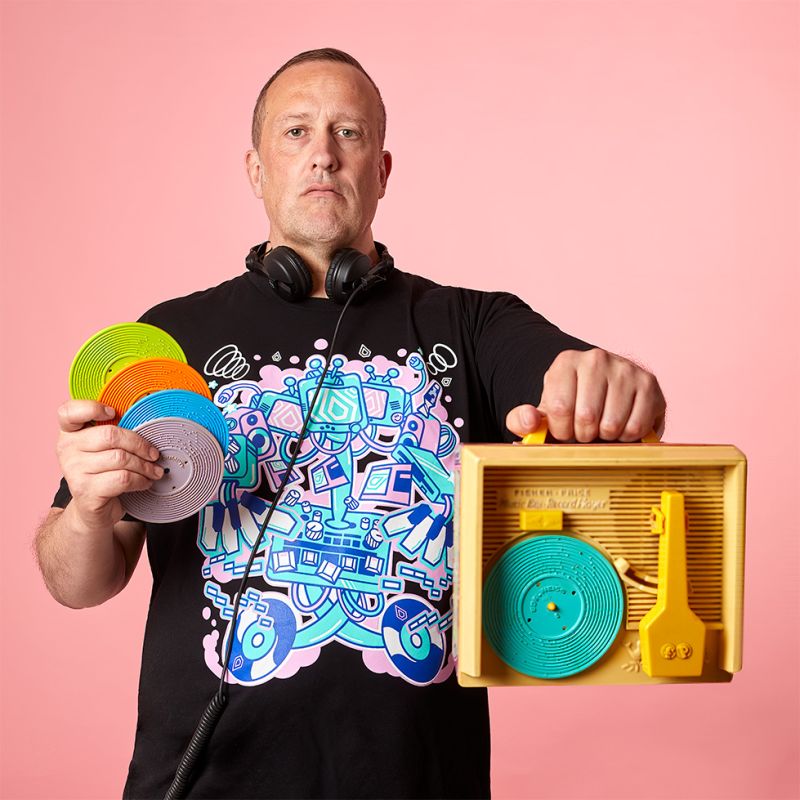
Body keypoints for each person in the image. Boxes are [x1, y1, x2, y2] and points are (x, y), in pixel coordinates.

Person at [35, 49, 666, 799]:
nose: (324, 155)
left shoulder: (475, 324)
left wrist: (615, 386)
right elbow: (77, 582)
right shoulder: (169, 339)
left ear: (383, 170)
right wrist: (88, 511)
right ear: (256, 169)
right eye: (296, 132)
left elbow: (596, 388)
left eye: (349, 132)